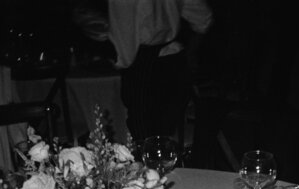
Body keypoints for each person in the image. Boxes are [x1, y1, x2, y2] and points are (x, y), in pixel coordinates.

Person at [74, 0, 213, 142]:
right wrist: (190, 52)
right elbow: (203, 17)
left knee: (146, 136)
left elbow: (126, 54)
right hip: (174, 61)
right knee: (165, 134)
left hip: (146, 67)